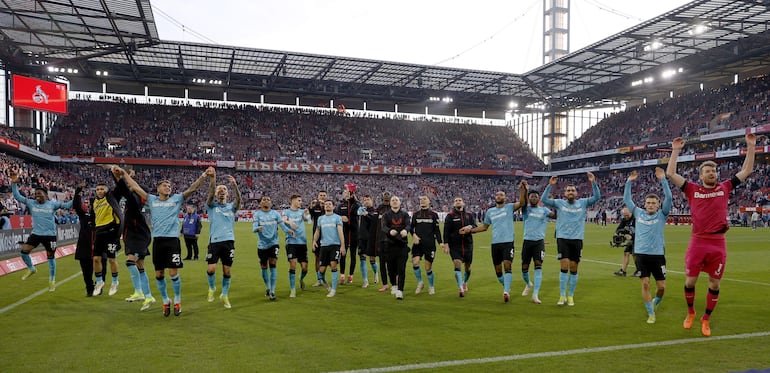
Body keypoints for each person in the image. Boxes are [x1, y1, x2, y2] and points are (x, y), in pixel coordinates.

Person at [666, 133, 756, 337]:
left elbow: (747, 170)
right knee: (690, 282)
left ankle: (705, 319)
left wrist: (751, 147)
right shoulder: (692, 189)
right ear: (701, 175)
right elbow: (671, 173)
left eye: (714, 170)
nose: (712, 173)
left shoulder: (725, 187)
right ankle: (690, 313)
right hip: (698, 241)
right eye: (707, 171)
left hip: (718, 243)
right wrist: (676, 151)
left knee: (714, 284)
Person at [123, 167, 212, 317]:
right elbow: (135, 187)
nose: (168, 187)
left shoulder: (176, 199)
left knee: (173, 273)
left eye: (169, 186)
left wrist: (204, 175)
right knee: (158, 274)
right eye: (165, 185)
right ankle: (165, 301)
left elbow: (193, 188)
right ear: (158, 189)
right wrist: (124, 173)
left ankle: (177, 300)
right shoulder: (151, 200)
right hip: (158, 241)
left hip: (172, 241)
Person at [541, 172, 601, 306]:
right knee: (564, 266)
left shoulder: (583, 203)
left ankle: (571, 295)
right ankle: (562, 295)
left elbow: (597, 196)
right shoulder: (559, 203)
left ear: (576, 193)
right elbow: (544, 200)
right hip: (563, 238)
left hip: (577, 239)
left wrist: (593, 182)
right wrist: (550, 185)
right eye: (568, 190)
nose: (570, 192)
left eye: (572, 190)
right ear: (564, 193)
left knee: (574, 268)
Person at [10, 169, 73, 291]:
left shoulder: (52, 204)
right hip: (36, 234)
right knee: (24, 251)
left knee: (50, 257)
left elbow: (67, 206)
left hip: (50, 235)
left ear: (46, 194)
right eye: (36, 194)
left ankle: (52, 280)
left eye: (39, 194)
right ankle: (31, 268)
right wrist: (14, 183)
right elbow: (17, 196)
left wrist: (76, 196)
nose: (37, 196)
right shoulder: (31, 203)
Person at [624, 167, 672, 324]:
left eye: (653, 203)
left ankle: (655, 302)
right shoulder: (638, 213)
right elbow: (627, 200)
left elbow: (669, 198)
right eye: (648, 203)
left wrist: (663, 180)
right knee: (645, 283)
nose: (650, 205)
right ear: (645, 204)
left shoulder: (662, 215)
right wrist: (629, 182)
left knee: (662, 287)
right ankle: (651, 314)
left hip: (658, 255)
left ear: (658, 205)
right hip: (641, 254)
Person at [467, 182, 527, 303]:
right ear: (495, 198)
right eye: (497, 195)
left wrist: (522, 190)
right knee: (498, 271)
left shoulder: (509, 207)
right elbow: (484, 227)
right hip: (495, 244)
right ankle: (506, 286)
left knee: (507, 266)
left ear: (505, 198)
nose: (499, 196)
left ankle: (506, 291)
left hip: (508, 242)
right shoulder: (490, 212)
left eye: (501, 195)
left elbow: (522, 203)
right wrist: (470, 231)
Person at [112, 167, 156, 311]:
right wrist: (118, 178)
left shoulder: (135, 199)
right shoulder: (134, 199)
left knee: (130, 262)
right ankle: (141, 293)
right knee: (140, 266)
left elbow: (125, 190)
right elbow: (123, 190)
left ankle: (146, 295)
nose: (131, 188)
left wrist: (120, 177)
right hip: (132, 235)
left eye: (133, 187)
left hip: (139, 236)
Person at [205, 171, 241, 309]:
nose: (221, 190)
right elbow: (210, 193)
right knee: (211, 269)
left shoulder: (231, 207)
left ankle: (224, 294)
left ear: (228, 194)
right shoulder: (211, 206)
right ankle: (212, 288)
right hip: (214, 241)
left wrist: (235, 186)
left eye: (224, 189)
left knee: (227, 271)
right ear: (215, 193)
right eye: (219, 189)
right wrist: (213, 181)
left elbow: (239, 200)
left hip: (229, 241)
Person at [253, 195, 293, 301]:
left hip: (273, 243)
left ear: (271, 203)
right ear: (260, 203)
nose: (266, 201)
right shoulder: (257, 215)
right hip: (262, 244)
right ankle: (268, 287)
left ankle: (272, 291)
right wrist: (258, 228)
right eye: (264, 200)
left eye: (268, 200)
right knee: (264, 266)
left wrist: (288, 231)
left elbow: (282, 226)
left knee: (273, 265)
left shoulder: (275, 214)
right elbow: (253, 229)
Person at [520, 189, 555, 304]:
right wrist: (524, 190)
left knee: (538, 266)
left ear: (539, 198)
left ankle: (535, 294)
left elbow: (555, 216)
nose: (533, 198)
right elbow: (522, 201)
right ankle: (529, 284)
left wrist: (553, 202)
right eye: (531, 196)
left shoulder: (544, 210)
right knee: (524, 268)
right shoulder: (526, 209)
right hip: (527, 242)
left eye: (535, 196)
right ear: (529, 198)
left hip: (539, 242)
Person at [89, 179, 123, 297]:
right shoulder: (93, 202)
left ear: (107, 190)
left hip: (111, 232)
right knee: (96, 259)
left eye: (102, 189)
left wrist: (121, 176)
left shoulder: (111, 198)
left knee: (111, 259)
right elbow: (93, 217)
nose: (99, 191)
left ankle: (115, 282)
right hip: (99, 232)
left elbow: (120, 186)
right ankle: (99, 282)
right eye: (97, 189)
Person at [442, 197, 476, 298]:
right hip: (455, 245)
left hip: (468, 244)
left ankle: (465, 282)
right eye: (456, 201)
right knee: (457, 264)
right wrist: (446, 244)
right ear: (454, 203)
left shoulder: (469, 215)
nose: (458, 202)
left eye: (460, 200)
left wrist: (469, 227)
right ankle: (460, 287)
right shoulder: (450, 216)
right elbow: (446, 231)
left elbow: (475, 225)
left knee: (468, 267)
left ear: (463, 203)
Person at [409, 195, 442, 295]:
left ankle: (431, 286)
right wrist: (413, 235)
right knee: (415, 263)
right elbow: (410, 228)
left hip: (430, 244)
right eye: (421, 199)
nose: (422, 201)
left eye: (424, 199)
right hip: (418, 244)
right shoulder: (416, 214)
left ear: (429, 201)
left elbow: (437, 230)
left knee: (428, 268)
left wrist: (441, 243)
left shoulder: (433, 215)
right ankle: (420, 283)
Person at [312, 200, 346, 297]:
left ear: (333, 206)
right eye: (326, 204)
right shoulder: (320, 219)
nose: (327, 206)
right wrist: (314, 241)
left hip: (335, 245)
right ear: (324, 207)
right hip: (323, 246)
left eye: (329, 204)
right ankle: (327, 285)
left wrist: (342, 245)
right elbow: (317, 231)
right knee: (321, 271)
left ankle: (333, 290)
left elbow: (340, 232)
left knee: (333, 265)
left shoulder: (337, 218)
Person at [380, 195, 411, 300]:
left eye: (396, 200)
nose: (394, 201)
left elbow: (408, 225)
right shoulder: (386, 215)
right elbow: (383, 227)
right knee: (390, 268)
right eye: (393, 200)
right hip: (389, 244)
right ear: (390, 203)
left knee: (401, 268)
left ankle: (400, 290)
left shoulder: (405, 214)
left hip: (402, 245)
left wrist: (405, 231)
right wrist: (389, 231)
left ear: (400, 202)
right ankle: (393, 284)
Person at [282, 194, 310, 298]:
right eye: (299, 200)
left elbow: (308, 220)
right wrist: (290, 222)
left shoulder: (302, 212)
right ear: (293, 201)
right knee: (292, 264)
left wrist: (306, 214)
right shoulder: (286, 211)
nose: (300, 202)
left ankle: (301, 279)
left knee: (304, 268)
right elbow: (283, 220)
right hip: (291, 241)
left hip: (302, 242)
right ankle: (293, 289)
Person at [72, 184, 95, 296]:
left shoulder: (102, 216)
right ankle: (90, 289)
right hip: (84, 248)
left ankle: (99, 285)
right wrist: (78, 192)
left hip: (98, 247)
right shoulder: (84, 215)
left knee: (101, 269)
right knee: (86, 271)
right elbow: (76, 205)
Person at [334, 186, 360, 285]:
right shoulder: (340, 205)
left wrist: (353, 196)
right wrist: (341, 217)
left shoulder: (356, 204)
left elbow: (359, 206)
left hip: (354, 233)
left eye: (348, 192)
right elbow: (335, 216)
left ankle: (351, 275)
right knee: (343, 254)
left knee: (353, 255)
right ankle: (342, 275)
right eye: (345, 192)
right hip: (343, 233)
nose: (346, 194)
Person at [356, 194, 377, 288]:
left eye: (368, 199)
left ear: (372, 200)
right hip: (362, 237)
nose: (366, 201)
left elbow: (375, 221)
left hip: (371, 238)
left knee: (372, 259)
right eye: (364, 200)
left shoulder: (375, 211)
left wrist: (367, 215)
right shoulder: (361, 210)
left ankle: (376, 273)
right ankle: (365, 280)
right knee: (362, 259)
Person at [308, 191, 328, 287]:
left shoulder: (329, 206)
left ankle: (323, 277)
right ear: (318, 196)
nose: (322, 197)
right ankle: (319, 279)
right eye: (321, 195)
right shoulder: (315, 207)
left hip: (327, 235)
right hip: (316, 235)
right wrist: (311, 208)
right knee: (317, 257)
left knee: (325, 258)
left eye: (324, 195)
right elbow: (310, 217)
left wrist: (324, 207)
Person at [612, 208, 638, 277]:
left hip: (638, 239)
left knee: (634, 254)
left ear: (631, 212)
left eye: (627, 215)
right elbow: (619, 228)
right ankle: (623, 271)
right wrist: (617, 233)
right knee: (626, 253)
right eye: (624, 215)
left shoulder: (636, 219)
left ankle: (639, 270)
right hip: (631, 239)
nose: (626, 217)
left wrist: (631, 236)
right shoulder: (624, 219)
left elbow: (641, 231)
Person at [374, 192, 392, 292]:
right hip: (381, 240)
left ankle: (395, 282)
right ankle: (385, 284)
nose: (386, 198)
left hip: (391, 240)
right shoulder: (379, 209)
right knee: (382, 263)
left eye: (387, 197)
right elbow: (374, 222)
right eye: (384, 196)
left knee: (391, 263)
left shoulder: (393, 209)